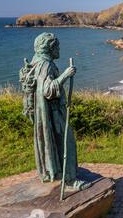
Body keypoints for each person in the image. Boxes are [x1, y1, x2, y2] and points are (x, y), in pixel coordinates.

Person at [19, 32, 91, 191]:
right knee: (67, 143)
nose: (59, 49)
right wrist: (66, 74)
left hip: (44, 113)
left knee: (53, 144)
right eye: (57, 46)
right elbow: (48, 90)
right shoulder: (47, 65)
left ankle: (53, 172)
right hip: (53, 113)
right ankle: (70, 181)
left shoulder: (36, 61)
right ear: (50, 48)